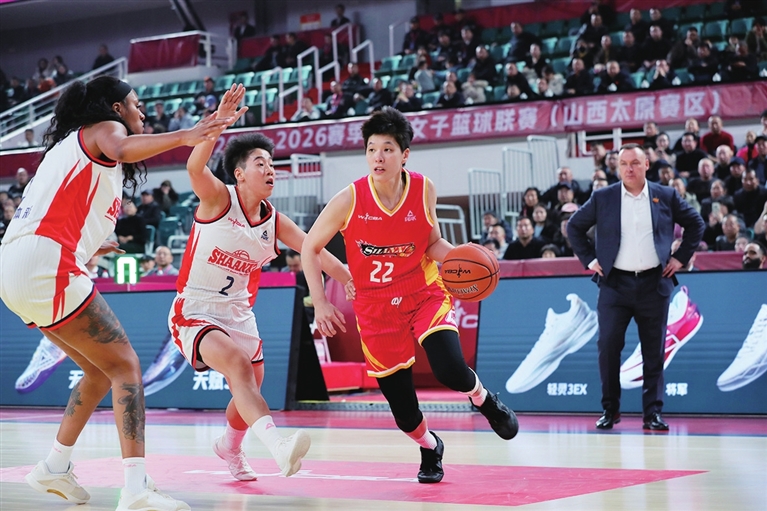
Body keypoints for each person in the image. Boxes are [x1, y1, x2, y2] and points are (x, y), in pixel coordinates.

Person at [0, 75, 230, 510]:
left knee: (100, 371)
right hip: (46, 263)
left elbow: (55, 211)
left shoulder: (69, 148)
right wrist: (187, 135)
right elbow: (122, 148)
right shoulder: (107, 129)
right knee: (127, 367)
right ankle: (135, 488)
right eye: (135, 103)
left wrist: (90, 243)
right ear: (115, 108)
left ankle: (54, 466)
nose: (140, 111)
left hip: (14, 269)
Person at [301, 108, 518, 484]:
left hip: (422, 291)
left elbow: (431, 243)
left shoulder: (423, 189)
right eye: (371, 149)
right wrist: (320, 301)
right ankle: (430, 446)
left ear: (404, 155)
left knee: (450, 369)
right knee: (404, 411)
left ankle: (485, 400)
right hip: (374, 307)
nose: (378, 157)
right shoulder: (349, 199)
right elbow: (310, 247)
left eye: (387, 149)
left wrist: (462, 260)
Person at [167, 84, 353, 481]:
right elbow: (194, 169)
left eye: (271, 164)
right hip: (195, 308)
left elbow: (316, 251)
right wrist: (219, 121)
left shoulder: (274, 221)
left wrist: (351, 279)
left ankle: (229, 448)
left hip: (239, 311)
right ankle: (279, 447)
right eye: (260, 163)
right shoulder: (219, 199)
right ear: (239, 174)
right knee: (238, 365)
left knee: (250, 384)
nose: (270, 170)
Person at [567, 143, 705, 433]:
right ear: (617, 167)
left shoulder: (665, 195)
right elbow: (574, 227)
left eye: (634, 163)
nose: (629, 169)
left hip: (654, 283)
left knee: (653, 352)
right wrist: (590, 260)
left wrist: (680, 258)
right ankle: (610, 410)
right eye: (623, 164)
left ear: (646, 165)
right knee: (608, 347)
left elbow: (696, 223)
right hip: (615, 285)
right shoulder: (603, 197)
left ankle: (652, 414)